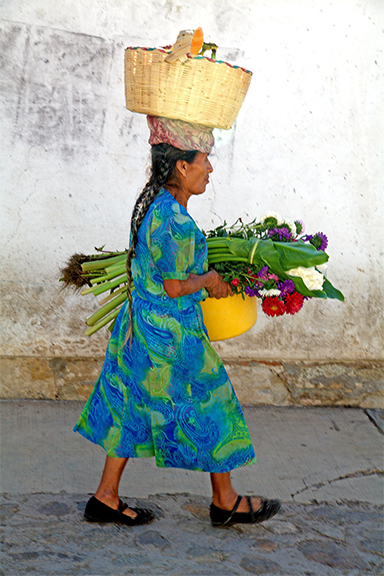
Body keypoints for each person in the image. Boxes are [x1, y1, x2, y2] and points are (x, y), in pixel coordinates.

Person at [74, 116, 281, 527]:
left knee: (131, 408)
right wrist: (209, 280)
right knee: (213, 403)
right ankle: (225, 500)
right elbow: (173, 286)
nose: (210, 169)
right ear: (182, 166)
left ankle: (105, 496)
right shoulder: (174, 220)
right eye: (204, 160)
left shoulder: (158, 206)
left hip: (140, 330)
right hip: (171, 337)